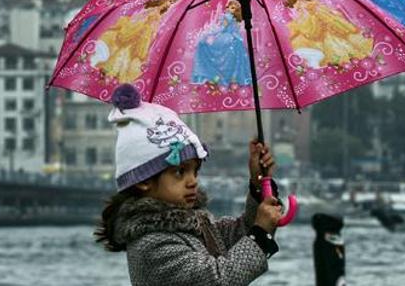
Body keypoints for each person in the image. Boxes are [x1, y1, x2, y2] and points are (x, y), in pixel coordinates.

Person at [95, 83, 283, 286]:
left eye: (195, 170)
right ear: (144, 181)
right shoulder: (151, 244)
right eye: (179, 172)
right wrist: (260, 234)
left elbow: (240, 236)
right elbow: (217, 279)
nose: (192, 181)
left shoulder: (192, 225)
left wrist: (257, 185)